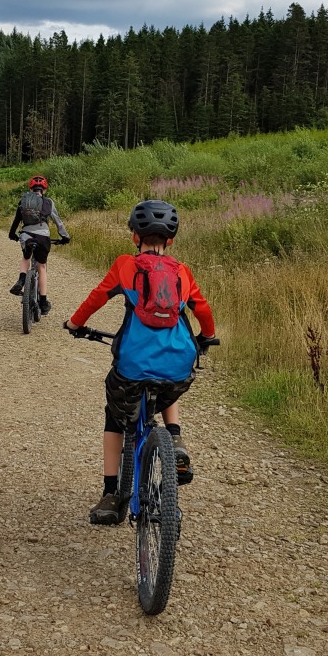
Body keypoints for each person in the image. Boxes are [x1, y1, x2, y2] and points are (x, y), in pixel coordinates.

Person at [64, 199, 216, 525]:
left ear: (135, 236)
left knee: (115, 415)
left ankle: (111, 494)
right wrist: (206, 337)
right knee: (168, 388)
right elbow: (202, 309)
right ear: (171, 240)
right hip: (178, 360)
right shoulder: (182, 271)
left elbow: (95, 299)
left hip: (133, 363)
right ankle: (173, 437)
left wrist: (75, 325)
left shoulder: (125, 265)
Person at [8, 175, 70, 315]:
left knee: (26, 257)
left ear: (30, 189)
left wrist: (12, 234)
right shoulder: (48, 202)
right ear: (44, 190)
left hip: (26, 235)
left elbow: (17, 219)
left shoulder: (23, 201)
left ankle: (21, 280)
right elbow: (58, 222)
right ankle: (43, 301)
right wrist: (65, 237)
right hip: (43, 237)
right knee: (41, 266)